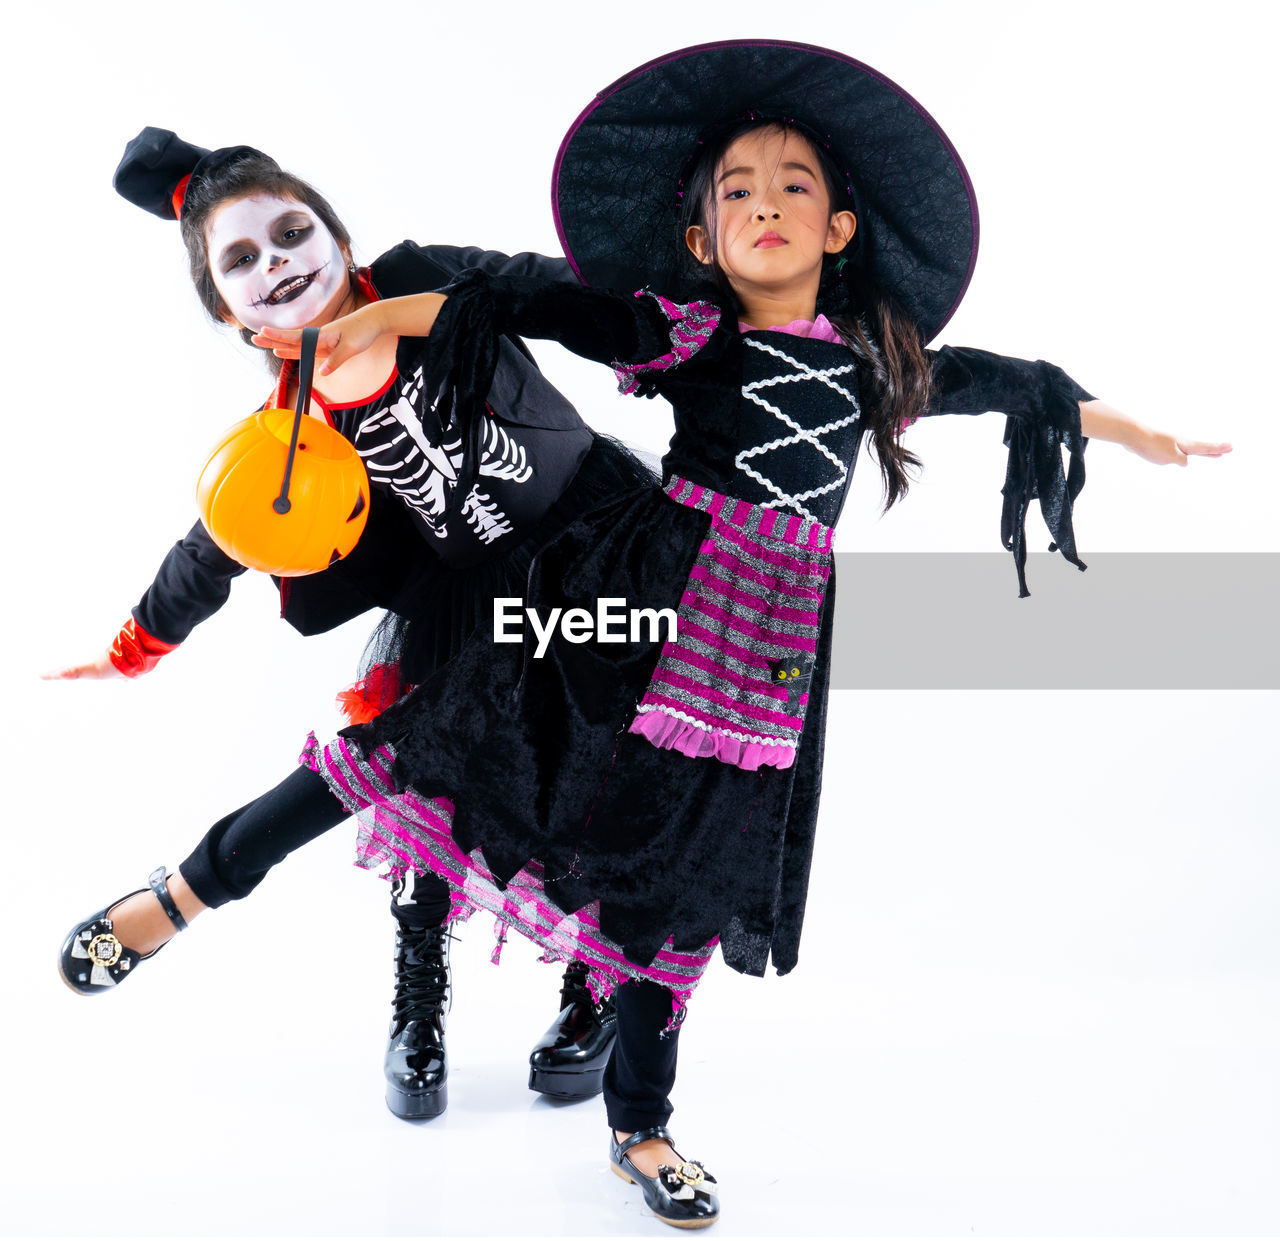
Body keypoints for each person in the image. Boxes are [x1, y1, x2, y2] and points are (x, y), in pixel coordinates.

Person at [246, 40, 1229, 1229]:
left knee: (697, 861)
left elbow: (1015, 383)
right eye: (738, 190)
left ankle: (633, 1107)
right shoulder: (695, 338)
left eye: (793, 185)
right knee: (544, 760)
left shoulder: (876, 366)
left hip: (769, 641)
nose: (766, 203)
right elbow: (529, 294)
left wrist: (1132, 432)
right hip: (647, 589)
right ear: (704, 239)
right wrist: (352, 326)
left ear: (841, 226)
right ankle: (444, 968)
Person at [51, 127, 636, 1118]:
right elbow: (214, 543)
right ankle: (417, 1012)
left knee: (615, 775)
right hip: (474, 604)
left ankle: (601, 988)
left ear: (335, 234)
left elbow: (550, 287)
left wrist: (662, 334)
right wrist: (133, 647)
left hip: (601, 545)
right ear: (233, 317)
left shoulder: (424, 281)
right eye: (241, 260)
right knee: (417, 787)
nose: (276, 261)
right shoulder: (287, 437)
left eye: (290, 231)